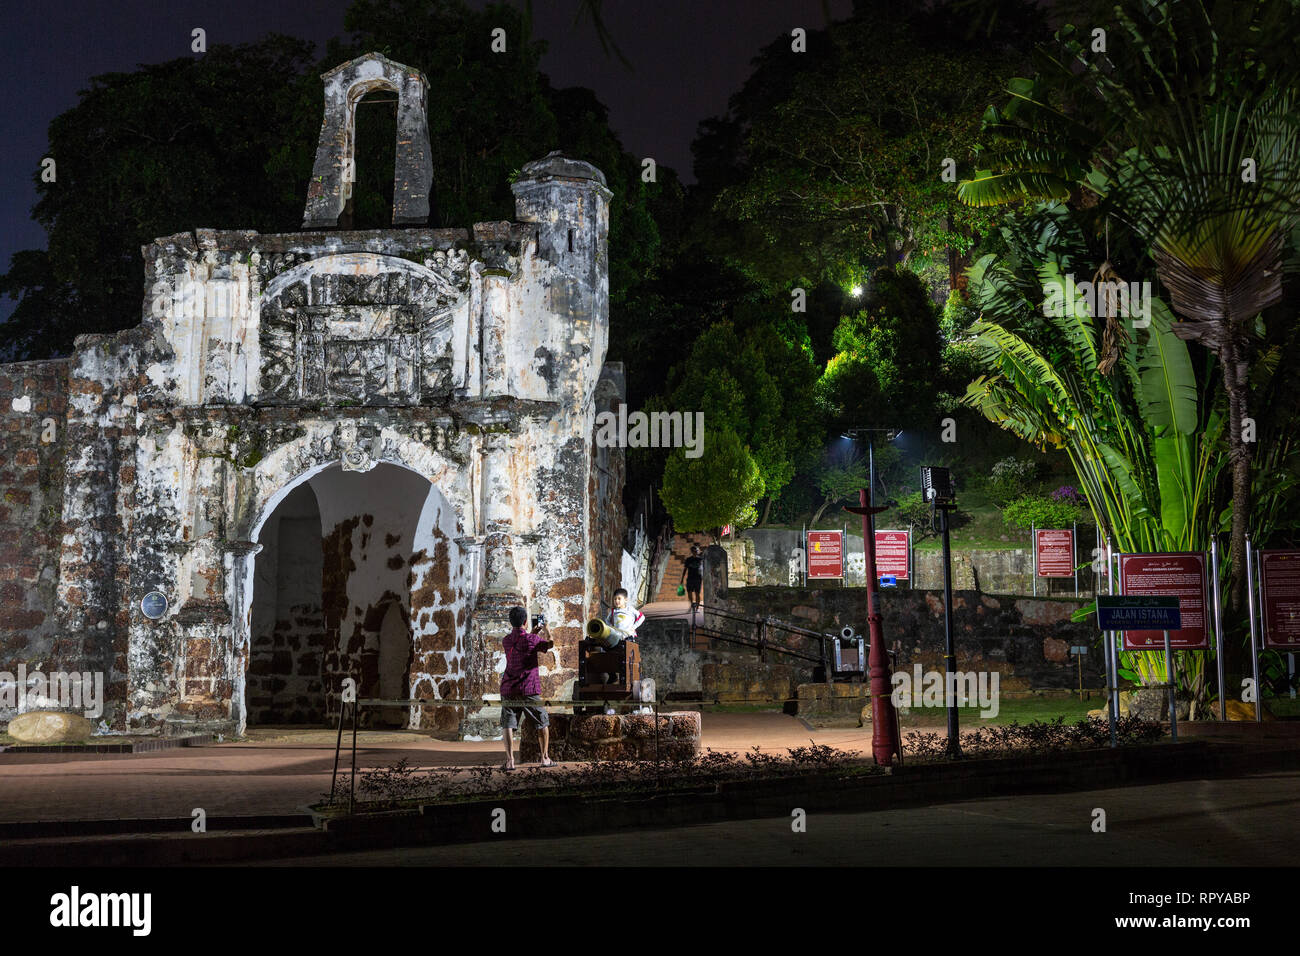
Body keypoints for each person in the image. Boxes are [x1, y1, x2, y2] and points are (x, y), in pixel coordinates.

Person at [500, 605, 554, 771]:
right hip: (528, 688)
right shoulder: (533, 639)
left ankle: (510, 761)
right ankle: (545, 758)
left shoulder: (506, 640)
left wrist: (532, 633)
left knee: (508, 724)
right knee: (542, 722)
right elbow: (549, 645)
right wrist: (546, 628)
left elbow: (522, 644)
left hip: (509, 688)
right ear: (525, 621)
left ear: (511, 622)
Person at [680, 543, 705, 613]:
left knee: (697, 593)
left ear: (697, 551)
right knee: (689, 592)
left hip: (698, 578)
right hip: (690, 578)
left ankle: (697, 608)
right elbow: (685, 569)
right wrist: (682, 579)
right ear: (692, 551)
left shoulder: (701, 559)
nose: (695, 552)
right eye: (694, 551)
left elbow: (704, 569)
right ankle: (692, 605)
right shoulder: (688, 559)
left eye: (696, 551)